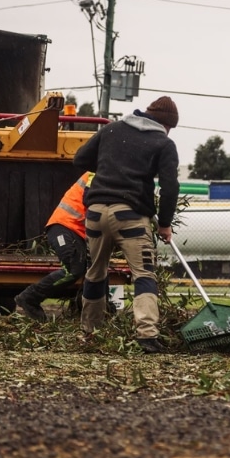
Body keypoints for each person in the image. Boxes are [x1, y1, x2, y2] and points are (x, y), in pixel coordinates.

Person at [73, 96, 180, 354]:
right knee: (143, 274)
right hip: (130, 216)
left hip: (96, 213)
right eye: (170, 127)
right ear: (165, 124)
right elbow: (170, 188)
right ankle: (147, 336)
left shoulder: (111, 129)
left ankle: (90, 333)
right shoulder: (163, 143)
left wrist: (110, 165)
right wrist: (165, 224)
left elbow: (79, 159)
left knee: (95, 272)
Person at [15, 172, 94, 322]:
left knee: (95, 267)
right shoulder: (98, 172)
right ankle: (29, 297)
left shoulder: (110, 172)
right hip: (63, 227)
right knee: (72, 269)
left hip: (79, 233)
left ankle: (95, 306)